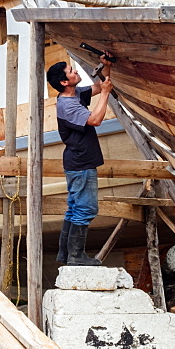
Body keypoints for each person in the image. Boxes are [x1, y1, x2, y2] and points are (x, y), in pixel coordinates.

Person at [45, 53, 113, 266]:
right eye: (71, 71)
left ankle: (66, 255)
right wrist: (105, 95)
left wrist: (106, 67)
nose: (75, 71)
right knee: (86, 209)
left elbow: (99, 86)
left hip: (78, 163)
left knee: (75, 208)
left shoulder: (75, 95)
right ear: (65, 82)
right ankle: (76, 256)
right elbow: (95, 120)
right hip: (81, 164)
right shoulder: (67, 105)